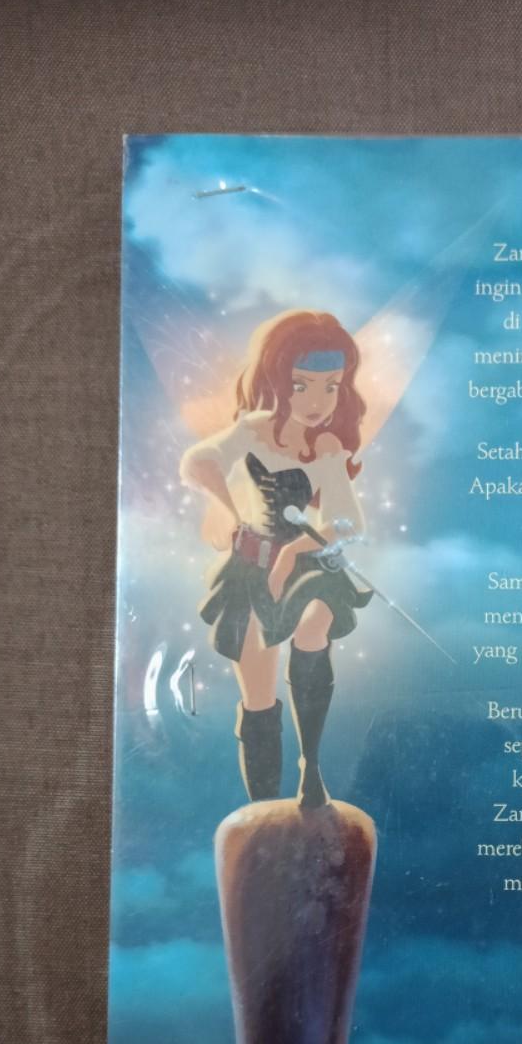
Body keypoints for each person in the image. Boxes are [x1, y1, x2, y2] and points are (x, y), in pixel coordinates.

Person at [180, 309, 373, 808]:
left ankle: (312, 766)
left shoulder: (326, 445)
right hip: (249, 570)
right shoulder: (253, 429)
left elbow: (347, 522)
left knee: (314, 623)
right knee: (258, 692)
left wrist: (292, 551)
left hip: (307, 568)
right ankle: (263, 807)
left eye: (331, 387)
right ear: (277, 380)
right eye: (301, 385)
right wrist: (229, 511)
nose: (317, 401)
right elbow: (197, 462)